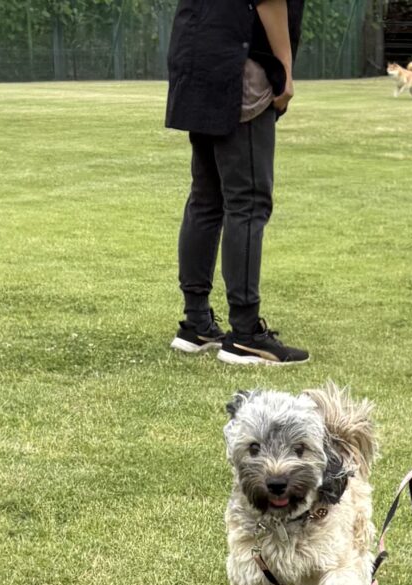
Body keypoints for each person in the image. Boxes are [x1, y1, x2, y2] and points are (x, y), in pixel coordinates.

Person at [165, 0, 309, 366]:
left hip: (197, 55)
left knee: (206, 199)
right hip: (240, 60)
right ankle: (245, 333)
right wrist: (285, 70)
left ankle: (196, 322)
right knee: (247, 202)